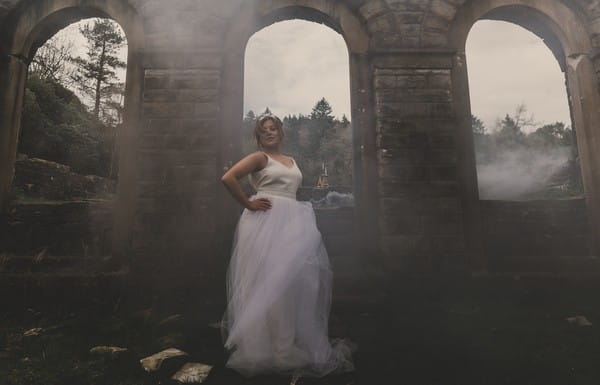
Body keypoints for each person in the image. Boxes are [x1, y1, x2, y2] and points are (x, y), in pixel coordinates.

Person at [220, 113, 355, 379]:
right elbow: (228, 178)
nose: (270, 132)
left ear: (281, 132)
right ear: (258, 136)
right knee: (268, 282)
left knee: (293, 283)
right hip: (265, 222)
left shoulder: (291, 161)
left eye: (274, 128)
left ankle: (286, 345)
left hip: (292, 222)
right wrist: (248, 203)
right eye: (264, 130)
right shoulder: (260, 158)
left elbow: (291, 190)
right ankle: (269, 349)